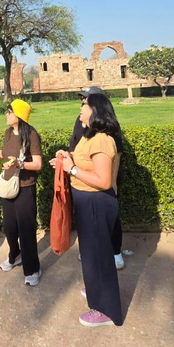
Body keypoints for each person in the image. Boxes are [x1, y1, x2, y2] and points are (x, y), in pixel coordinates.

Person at [51, 94, 123, 327]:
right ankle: (95, 290)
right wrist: (67, 158)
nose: (80, 109)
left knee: (99, 256)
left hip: (96, 202)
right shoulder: (89, 135)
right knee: (92, 254)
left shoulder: (101, 140)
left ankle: (106, 310)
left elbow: (103, 180)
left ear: (95, 110)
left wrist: (72, 169)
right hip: (86, 200)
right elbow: (84, 160)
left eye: (84, 105)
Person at [0, 99, 43, 286]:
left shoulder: (31, 135)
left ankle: (32, 268)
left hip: (25, 187)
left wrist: (20, 164)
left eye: (9, 112)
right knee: (9, 227)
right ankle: (15, 255)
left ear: (19, 115)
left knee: (26, 230)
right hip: (8, 185)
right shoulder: (8, 133)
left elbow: (38, 164)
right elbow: (6, 155)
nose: (6, 115)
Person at [68, 86, 125, 270]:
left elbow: (116, 153)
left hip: (99, 180)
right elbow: (75, 145)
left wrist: (113, 181)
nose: (82, 102)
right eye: (83, 99)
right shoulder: (82, 121)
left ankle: (115, 250)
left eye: (86, 100)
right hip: (83, 177)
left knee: (108, 219)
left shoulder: (106, 127)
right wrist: (68, 159)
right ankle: (92, 251)